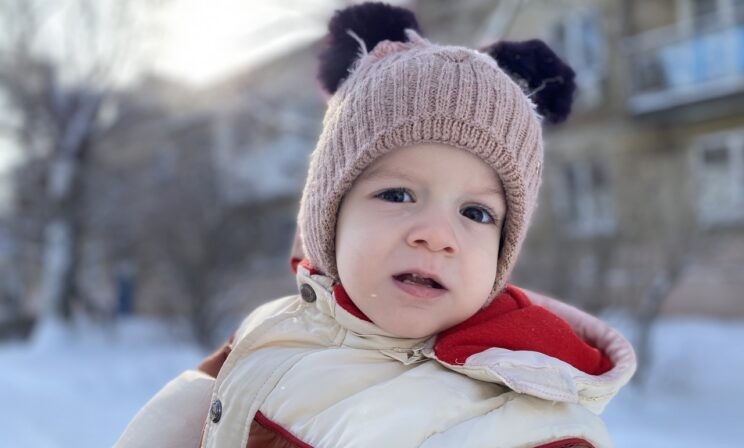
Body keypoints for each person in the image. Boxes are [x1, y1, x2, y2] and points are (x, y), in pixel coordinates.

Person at [115, 3, 636, 447]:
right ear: (329, 215)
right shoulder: (271, 331)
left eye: (475, 213)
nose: (435, 234)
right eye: (397, 194)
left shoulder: (521, 420)